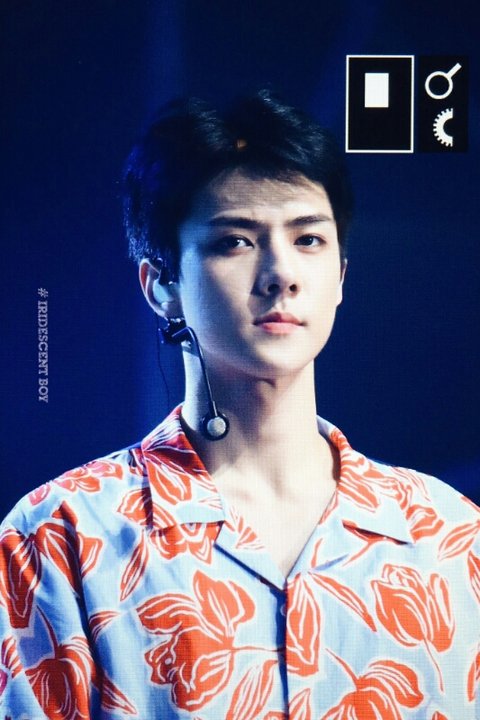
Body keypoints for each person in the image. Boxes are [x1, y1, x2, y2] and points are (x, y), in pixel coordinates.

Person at [0, 90, 478, 719]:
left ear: (340, 275)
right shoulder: (61, 537)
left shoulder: (450, 536)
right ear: (161, 284)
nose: (281, 273)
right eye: (235, 241)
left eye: (309, 239)